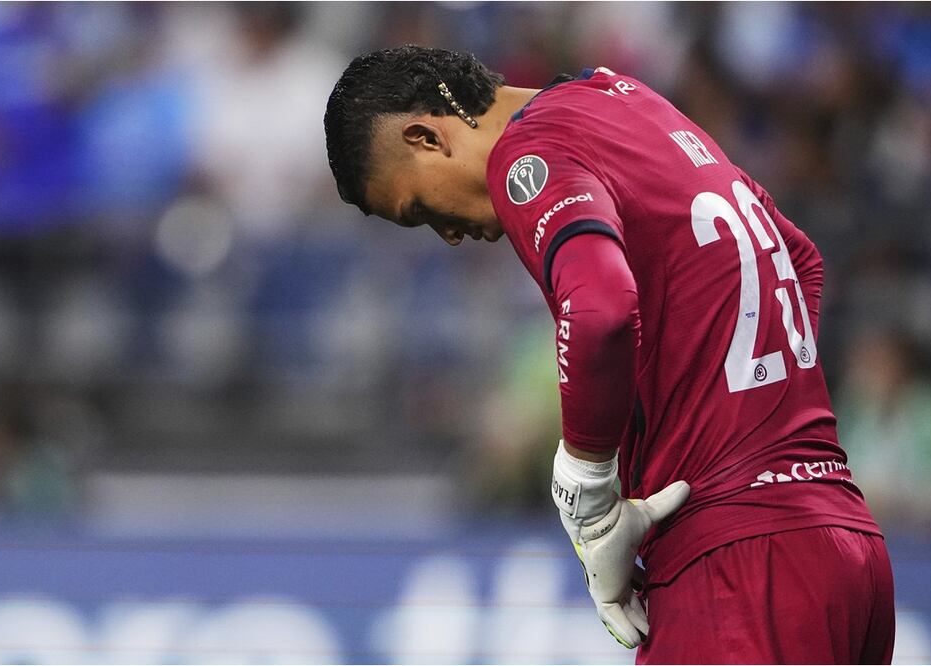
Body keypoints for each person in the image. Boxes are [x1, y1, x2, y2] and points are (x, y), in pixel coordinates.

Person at [323, 46, 894, 664]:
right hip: (845, 542)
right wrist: (763, 422)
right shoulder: (622, 99)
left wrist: (587, 480)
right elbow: (798, 255)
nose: (451, 234)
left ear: (426, 136)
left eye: (422, 212)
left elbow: (598, 308)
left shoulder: (526, 153)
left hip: (738, 561)